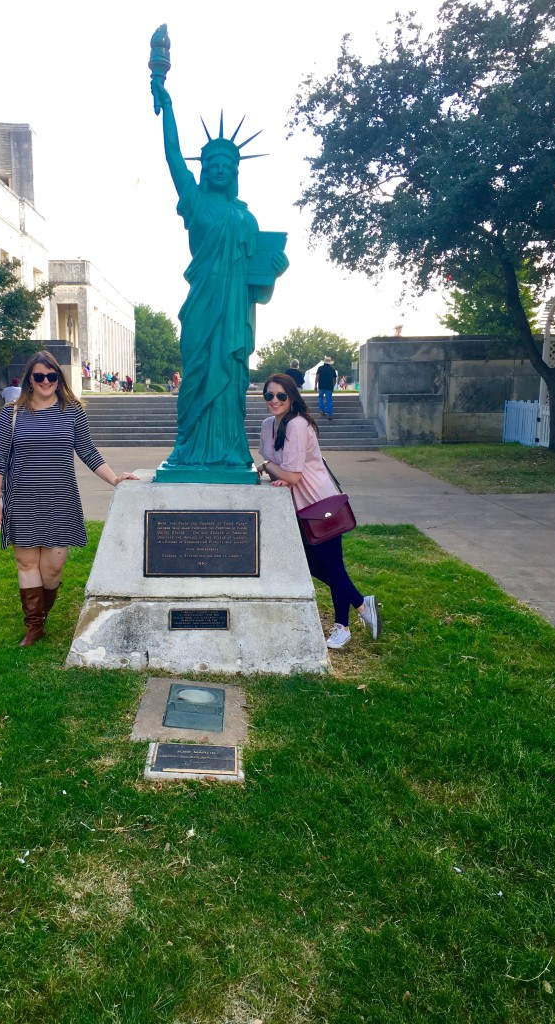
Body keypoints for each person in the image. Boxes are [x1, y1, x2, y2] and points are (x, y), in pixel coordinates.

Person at [152, 78, 288, 471]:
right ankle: (188, 447)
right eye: (212, 164)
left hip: (235, 310)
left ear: (236, 171)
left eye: (227, 165)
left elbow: (257, 284)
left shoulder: (247, 217)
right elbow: (173, 156)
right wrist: (168, 105)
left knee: (230, 379)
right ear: (204, 170)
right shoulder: (193, 201)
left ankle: (229, 450)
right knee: (194, 374)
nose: (219, 170)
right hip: (203, 302)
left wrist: (274, 271)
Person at [0, 350, 138, 647]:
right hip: (22, 498)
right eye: (39, 376)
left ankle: (41, 613)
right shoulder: (12, 413)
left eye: (51, 376)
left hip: (60, 498)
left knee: (53, 568)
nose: (46, 381)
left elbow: (88, 451)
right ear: (29, 379)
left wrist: (114, 479)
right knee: (26, 562)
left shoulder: (72, 411)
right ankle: (34, 625)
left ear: (59, 378)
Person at [256, 373, 381, 650]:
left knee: (334, 567)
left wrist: (268, 468)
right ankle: (362, 603)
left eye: (280, 396)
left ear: (292, 397)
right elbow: (279, 467)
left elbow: (293, 475)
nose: (274, 401)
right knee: (312, 565)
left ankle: (342, 626)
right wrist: (276, 471)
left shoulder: (298, 425)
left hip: (318, 504)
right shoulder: (267, 425)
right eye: (269, 396)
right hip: (295, 507)